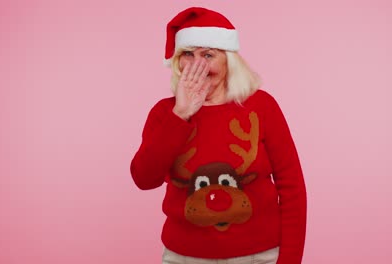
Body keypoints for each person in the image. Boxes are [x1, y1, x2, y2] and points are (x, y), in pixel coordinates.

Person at [130, 7, 307, 264]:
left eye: (208, 55)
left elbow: (292, 189)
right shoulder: (164, 113)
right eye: (188, 54)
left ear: (228, 61)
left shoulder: (262, 107)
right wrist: (180, 114)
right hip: (184, 257)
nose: (196, 65)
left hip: (259, 257)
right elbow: (144, 178)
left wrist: (290, 260)